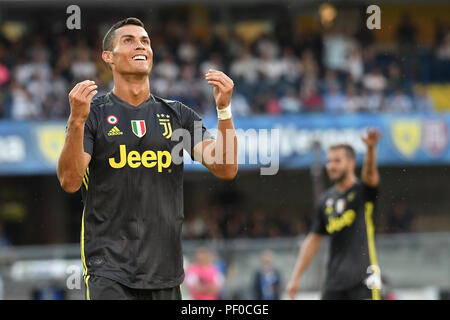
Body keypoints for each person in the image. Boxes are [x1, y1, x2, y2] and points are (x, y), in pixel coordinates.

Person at [57, 18, 238, 300]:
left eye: (145, 41)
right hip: (108, 269)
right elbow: (70, 181)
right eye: (128, 40)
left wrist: (224, 110)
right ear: (109, 57)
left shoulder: (178, 115)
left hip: (165, 271)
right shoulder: (93, 115)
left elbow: (225, 167)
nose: (140, 45)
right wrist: (76, 120)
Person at [286, 128, 382, 300]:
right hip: (334, 283)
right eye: (329, 161)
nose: (331, 166)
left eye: (337, 161)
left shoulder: (362, 192)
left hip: (364, 280)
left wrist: (370, 150)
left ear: (351, 163)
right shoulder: (325, 200)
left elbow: (370, 175)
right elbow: (313, 239)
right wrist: (295, 277)